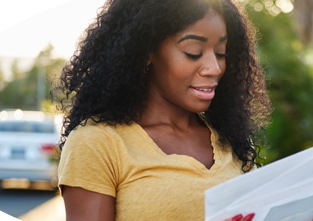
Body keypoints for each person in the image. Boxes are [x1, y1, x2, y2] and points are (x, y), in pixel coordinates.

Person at [52, 0, 272, 220]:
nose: (214, 68)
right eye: (193, 52)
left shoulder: (231, 138)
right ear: (146, 51)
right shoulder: (97, 143)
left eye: (221, 53)